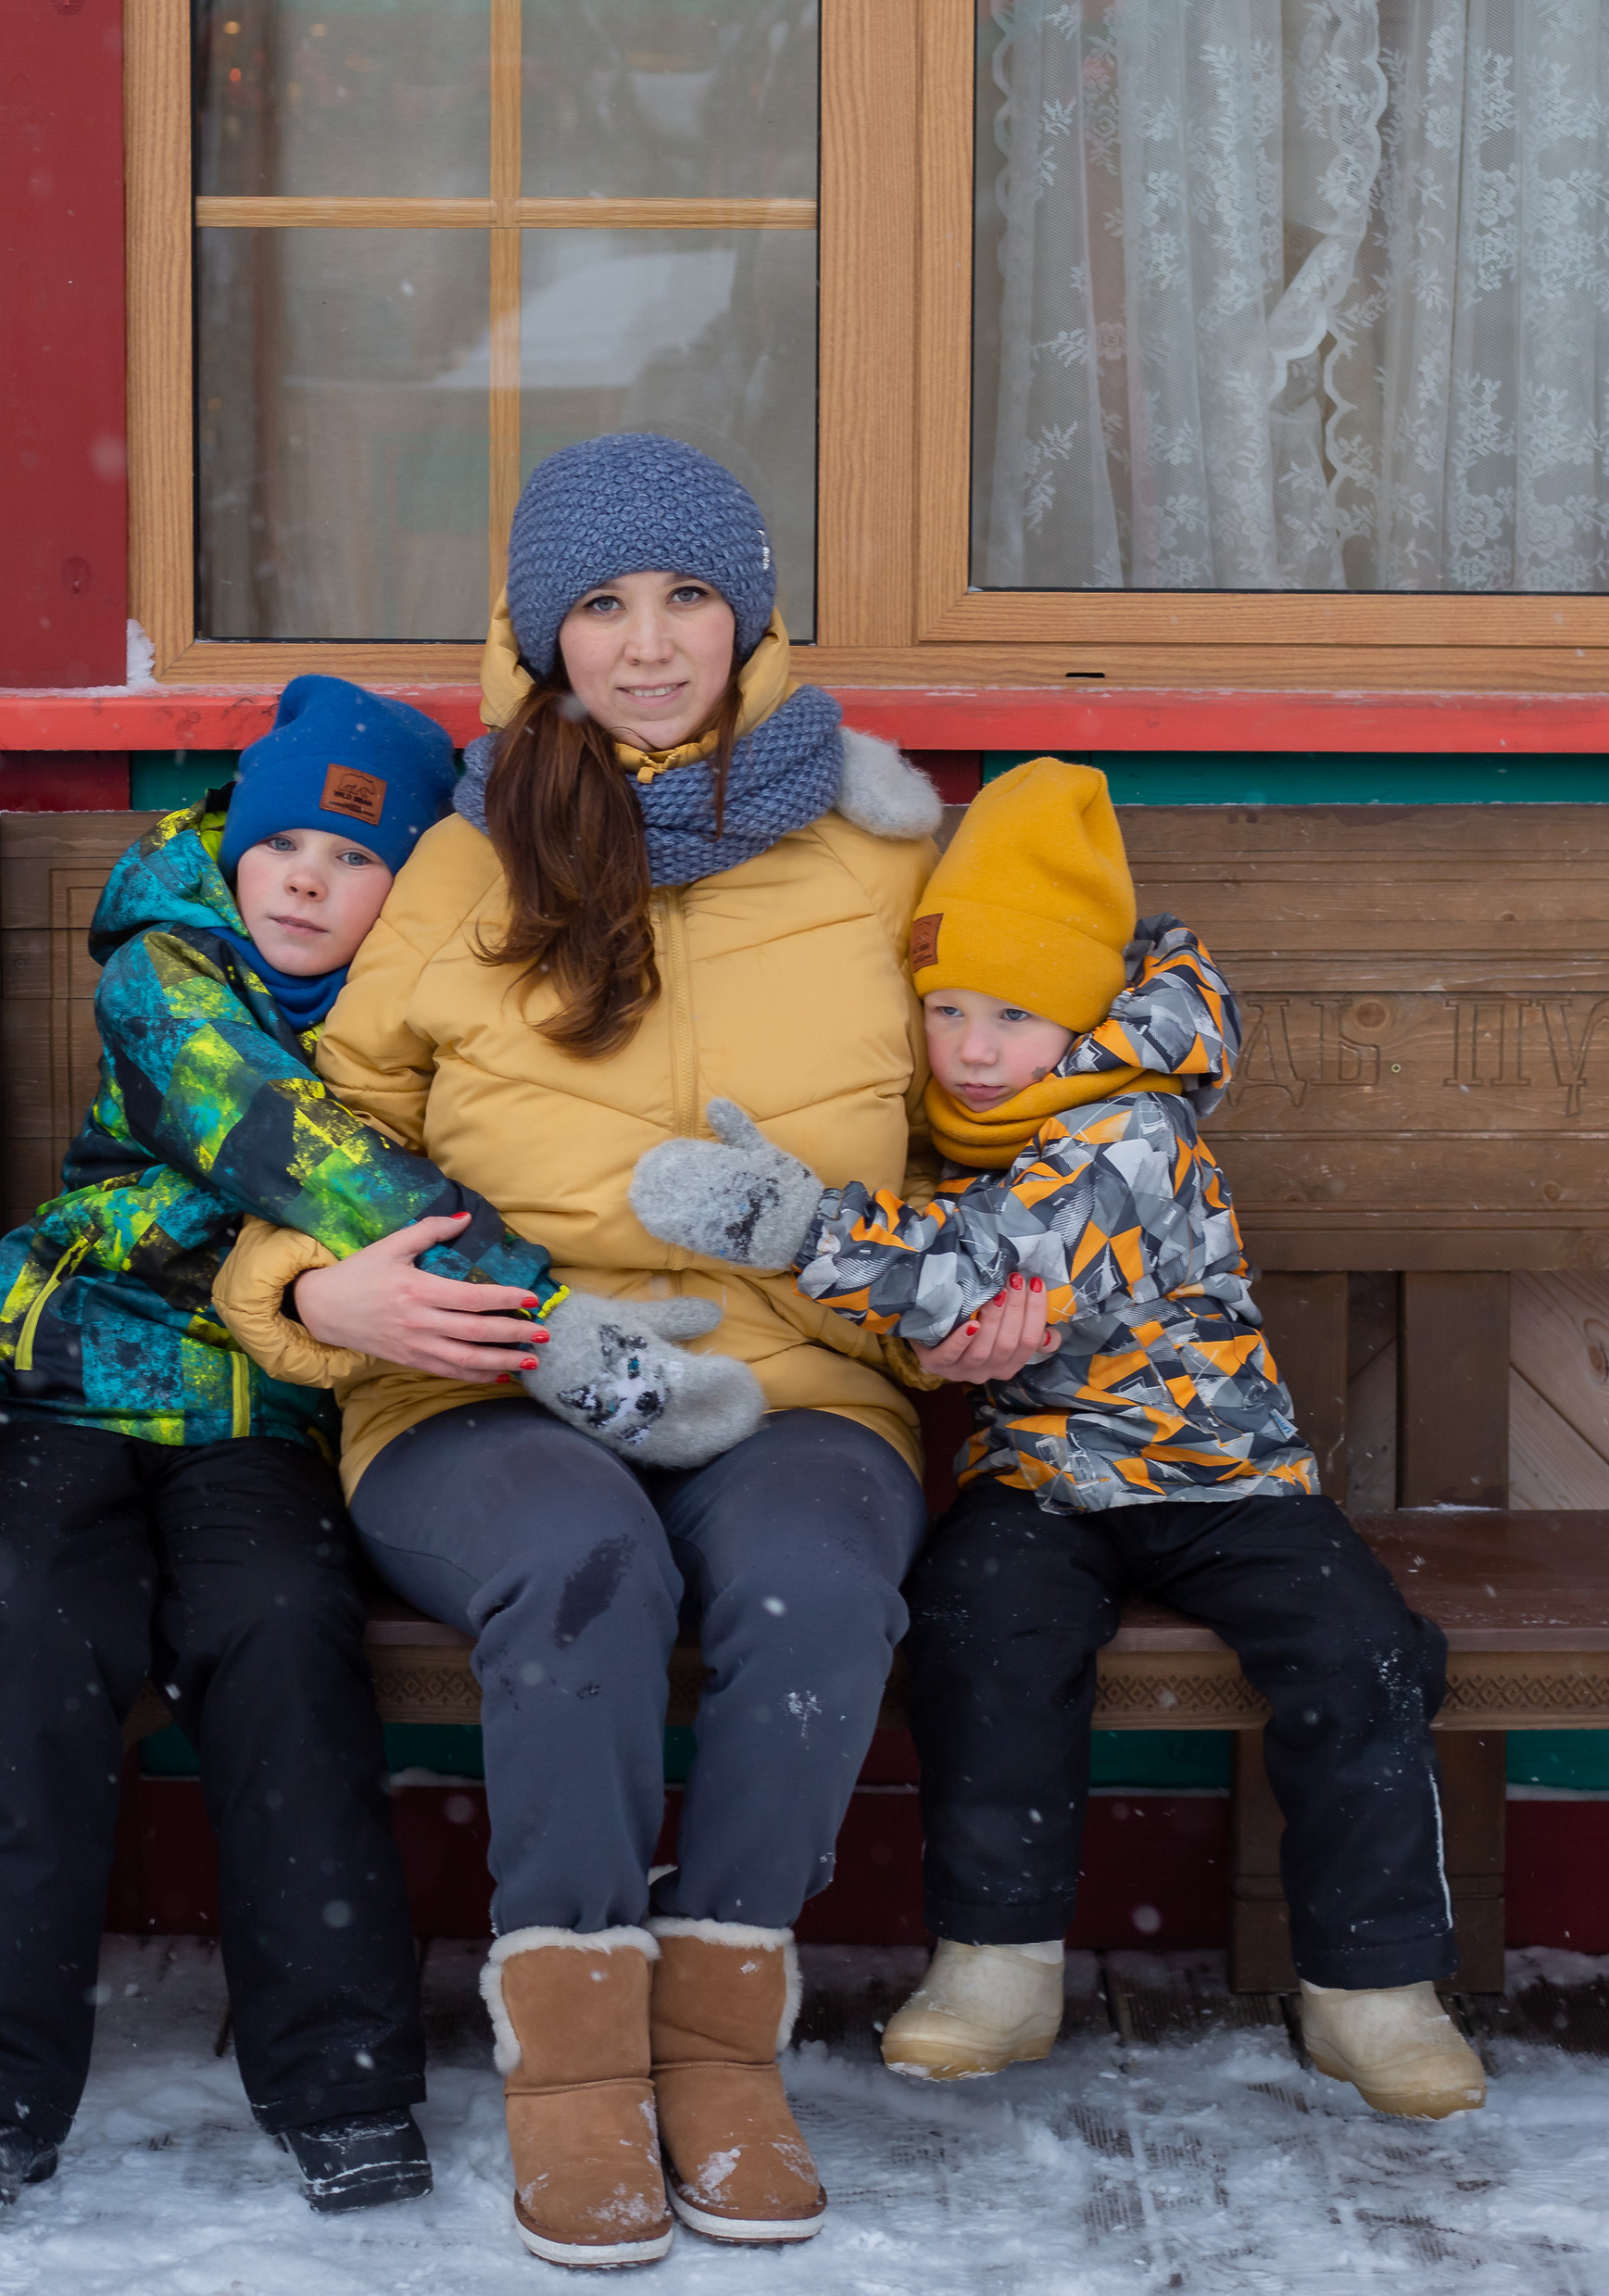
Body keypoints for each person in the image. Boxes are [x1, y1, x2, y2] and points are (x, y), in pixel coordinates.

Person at [214, 432, 1037, 2268]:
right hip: (485, 1366)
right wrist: (315, 1298)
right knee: (576, 1562)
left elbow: (991, 1125)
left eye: (684, 598)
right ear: (541, 636)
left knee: (817, 1584)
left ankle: (718, 2053)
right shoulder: (456, 862)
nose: (647, 643)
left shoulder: (874, 854)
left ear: (750, 618)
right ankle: (575, 2076)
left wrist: (990, 1289)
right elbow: (319, 1142)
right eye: (599, 605)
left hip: (796, 1370)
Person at [631, 755, 1487, 2123]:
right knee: (981, 1631)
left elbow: (983, 1263)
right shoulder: (969, 1123)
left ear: (1084, 1013)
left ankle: (1376, 1986)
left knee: (1361, 1654)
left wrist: (803, 1228)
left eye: (1013, 1016)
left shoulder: (1135, 1128)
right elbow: (947, 1284)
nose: (973, 1050)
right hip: (1039, 1475)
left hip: (1218, 1474)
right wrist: (908, 1306)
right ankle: (999, 1961)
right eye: (946, 1011)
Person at [0, 677, 551, 2218]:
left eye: (357, 859)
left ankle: (344, 2081)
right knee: (16, 1624)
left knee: (283, 1637)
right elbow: (277, 1145)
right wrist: (544, 1310)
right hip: (80, 1389)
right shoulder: (165, 962)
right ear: (234, 847)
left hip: (269, 1414)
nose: (308, 882)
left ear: (409, 886)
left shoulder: (422, 1010)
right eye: (286, 844)